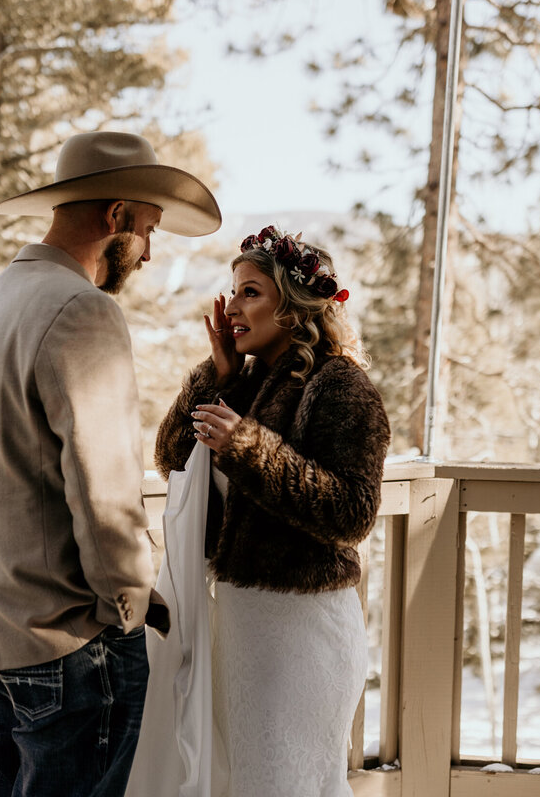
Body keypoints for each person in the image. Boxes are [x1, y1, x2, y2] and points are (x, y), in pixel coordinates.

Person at [0, 130, 221, 797]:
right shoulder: (81, 310)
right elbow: (105, 490)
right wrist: (127, 605)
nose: (149, 254)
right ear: (116, 218)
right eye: (148, 230)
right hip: (65, 638)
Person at [154, 225, 391, 797]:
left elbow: (351, 513)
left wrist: (248, 448)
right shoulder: (247, 381)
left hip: (301, 631)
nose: (231, 306)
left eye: (250, 292)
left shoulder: (341, 386)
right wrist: (217, 376)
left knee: (284, 783)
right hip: (239, 624)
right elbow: (171, 459)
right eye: (233, 290)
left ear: (293, 306)